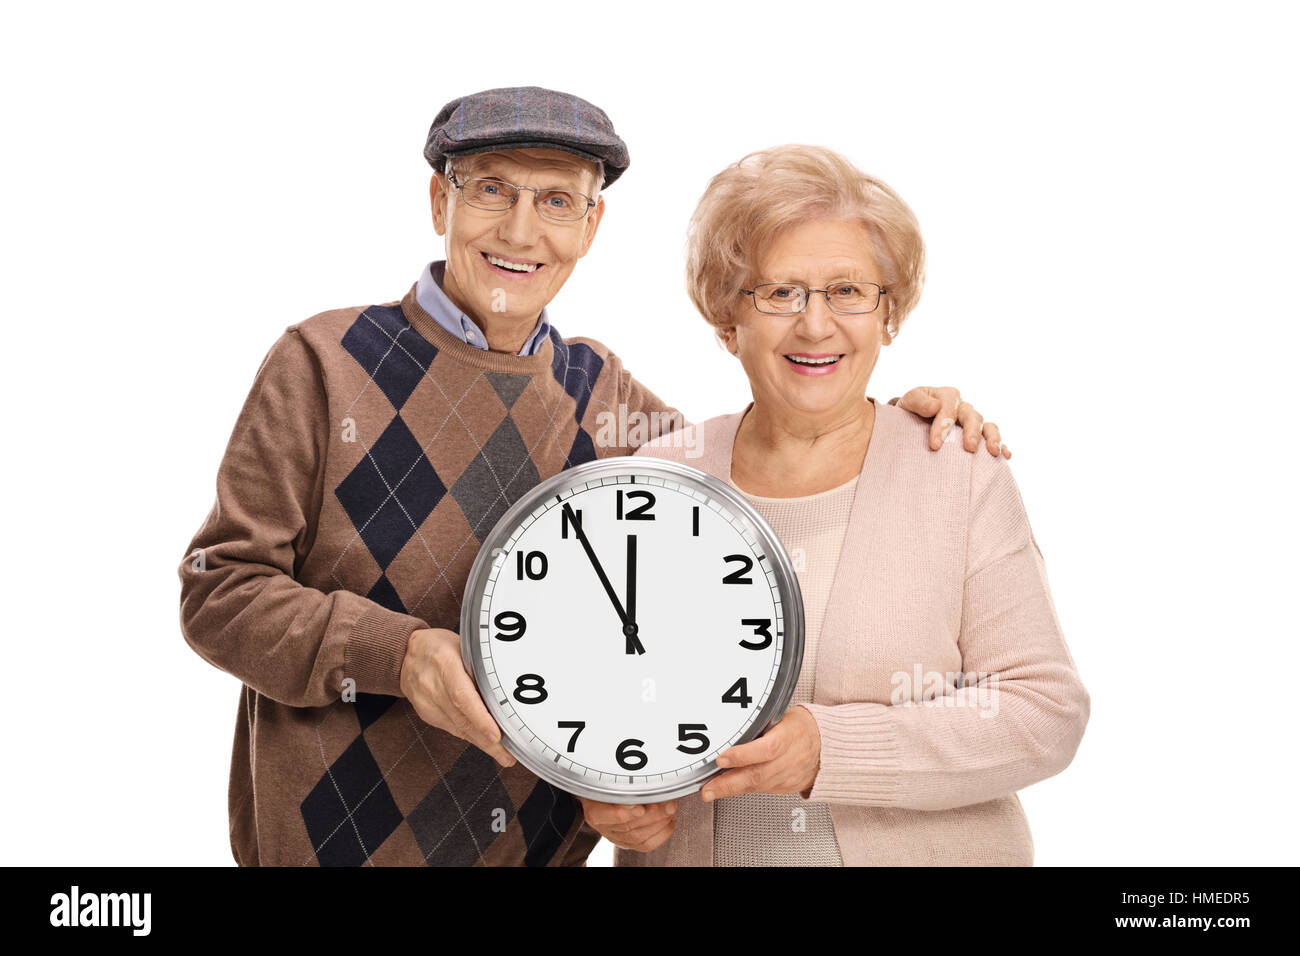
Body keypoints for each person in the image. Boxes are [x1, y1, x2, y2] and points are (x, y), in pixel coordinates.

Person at [177, 88, 1009, 867]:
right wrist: (398, 654)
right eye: (492, 191)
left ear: (591, 224)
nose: (521, 231)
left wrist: (898, 419)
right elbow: (218, 592)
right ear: (441, 203)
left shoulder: (603, 398)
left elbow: (764, 459)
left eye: (556, 201)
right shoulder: (323, 364)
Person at [582, 144, 1088, 866]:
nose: (815, 325)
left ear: (888, 314)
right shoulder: (658, 480)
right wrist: (605, 790)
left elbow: (1045, 714)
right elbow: (602, 698)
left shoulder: (957, 472)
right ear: (730, 320)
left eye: (848, 291)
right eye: (780, 292)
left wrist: (833, 750)